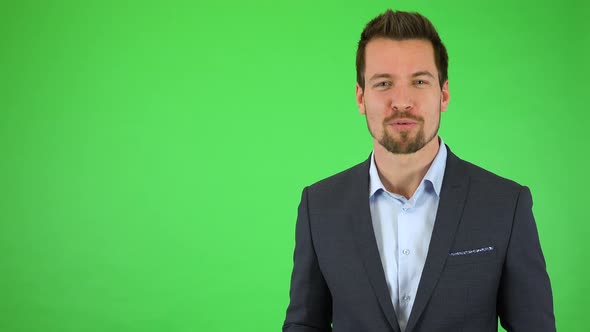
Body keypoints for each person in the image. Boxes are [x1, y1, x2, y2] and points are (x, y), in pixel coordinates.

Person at [282, 9, 556, 332]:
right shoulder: (319, 207)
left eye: (419, 81)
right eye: (383, 83)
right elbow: (304, 325)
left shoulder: (506, 206)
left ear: (444, 94)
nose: (401, 101)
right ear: (360, 97)